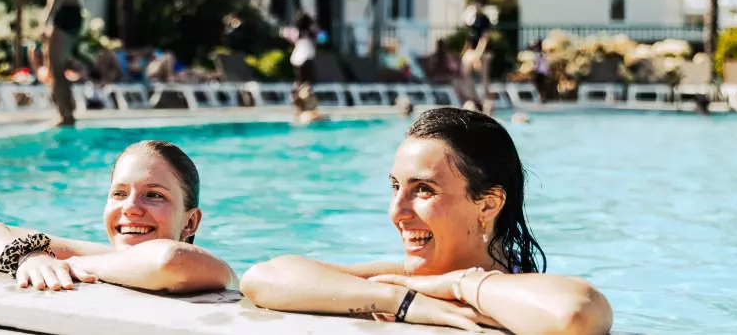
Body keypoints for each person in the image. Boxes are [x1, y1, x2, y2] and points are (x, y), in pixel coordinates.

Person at [241, 107, 613, 335]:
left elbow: (574, 315)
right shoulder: (404, 281)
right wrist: (402, 300)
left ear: (488, 204)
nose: (396, 211)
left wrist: (457, 284)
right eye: (395, 186)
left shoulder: (521, 289)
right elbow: (263, 277)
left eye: (423, 189)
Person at [0, 140, 236, 294]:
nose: (131, 208)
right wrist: (29, 257)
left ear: (190, 222)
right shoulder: (102, 257)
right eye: (119, 193)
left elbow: (168, 261)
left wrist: (71, 263)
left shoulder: (212, 269)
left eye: (154, 195)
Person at [31, 0, 96, 126]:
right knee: (57, 65)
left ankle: (64, 114)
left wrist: (47, 16)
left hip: (63, 12)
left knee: (55, 67)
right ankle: (68, 112)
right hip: (73, 12)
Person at [281, 12, 326, 125]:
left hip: (296, 59)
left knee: (299, 85)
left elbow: (283, 32)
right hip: (306, 60)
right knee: (306, 85)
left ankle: (298, 108)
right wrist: (317, 28)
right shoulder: (311, 32)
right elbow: (324, 38)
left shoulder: (295, 32)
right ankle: (305, 107)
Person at [460, 5, 493, 112]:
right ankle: (474, 98)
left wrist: (479, 53)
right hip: (472, 50)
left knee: (484, 77)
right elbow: (467, 30)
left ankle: (486, 103)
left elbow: (484, 38)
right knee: (465, 73)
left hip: (483, 52)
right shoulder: (473, 18)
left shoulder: (484, 19)